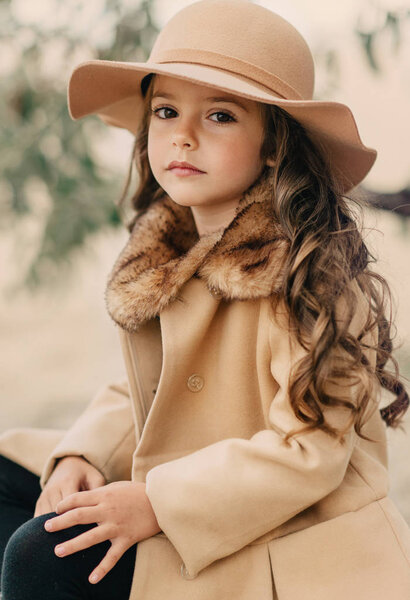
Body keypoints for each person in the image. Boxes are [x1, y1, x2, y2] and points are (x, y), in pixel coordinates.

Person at [0, 1, 409, 598]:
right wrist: (80, 456)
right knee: (14, 480)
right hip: (179, 488)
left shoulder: (309, 275)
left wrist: (156, 504)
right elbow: (146, 390)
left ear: (274, 144)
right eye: (166, 111)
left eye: (220, 115)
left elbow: (311, 450)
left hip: (279, 532)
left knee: (40, 556)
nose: (183, 136)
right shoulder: (174, 250)